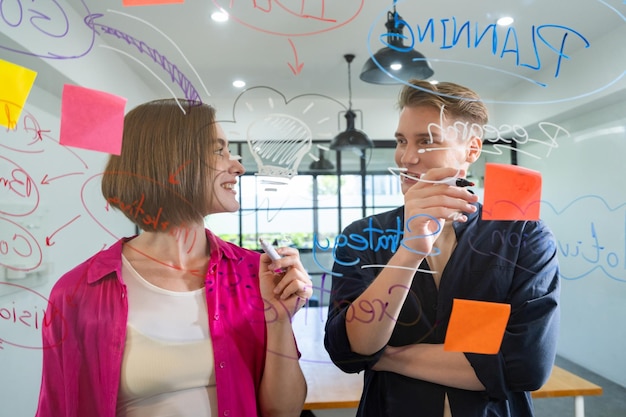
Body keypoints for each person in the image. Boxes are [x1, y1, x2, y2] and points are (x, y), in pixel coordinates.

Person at [36, 98, 313, 417]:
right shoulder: (77, 293)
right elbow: (58, 407)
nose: (238, 166)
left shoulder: (256, 274)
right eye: (218, 150)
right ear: (172, 162)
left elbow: (285, 411)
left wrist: (278, 318)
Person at [324, 80, 560, 417]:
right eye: (401, 141)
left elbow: (526, 366)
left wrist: (385, 356)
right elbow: (350, 351)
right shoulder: (364, 235)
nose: (406, 157)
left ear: (472, 150)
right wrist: (410, 251)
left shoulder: (523, 236)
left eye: (426, 141)